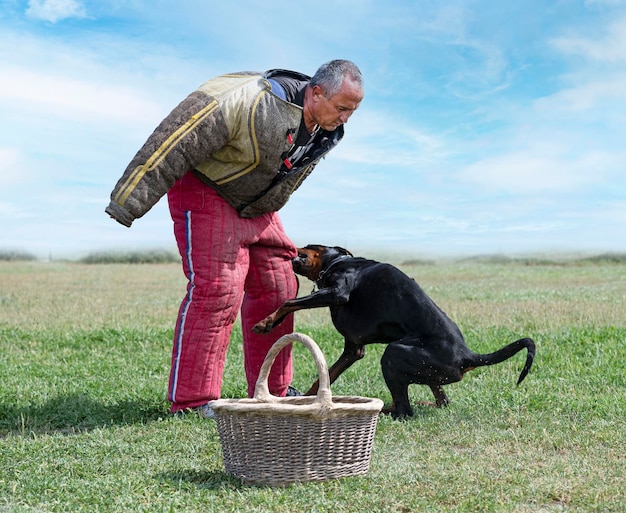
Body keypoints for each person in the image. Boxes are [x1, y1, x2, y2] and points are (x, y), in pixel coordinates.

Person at [105, 60, 364, 416]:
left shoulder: (326, 131)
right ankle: (192, 401)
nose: (346, 118)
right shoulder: (249, 100)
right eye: (342, 108)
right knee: (218, 289)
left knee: (280, 286)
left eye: (353, 111)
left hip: (255, 205)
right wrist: (128, 201)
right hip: (206, 188)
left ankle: (272, 391)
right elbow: (178, 137)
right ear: (316, 93)